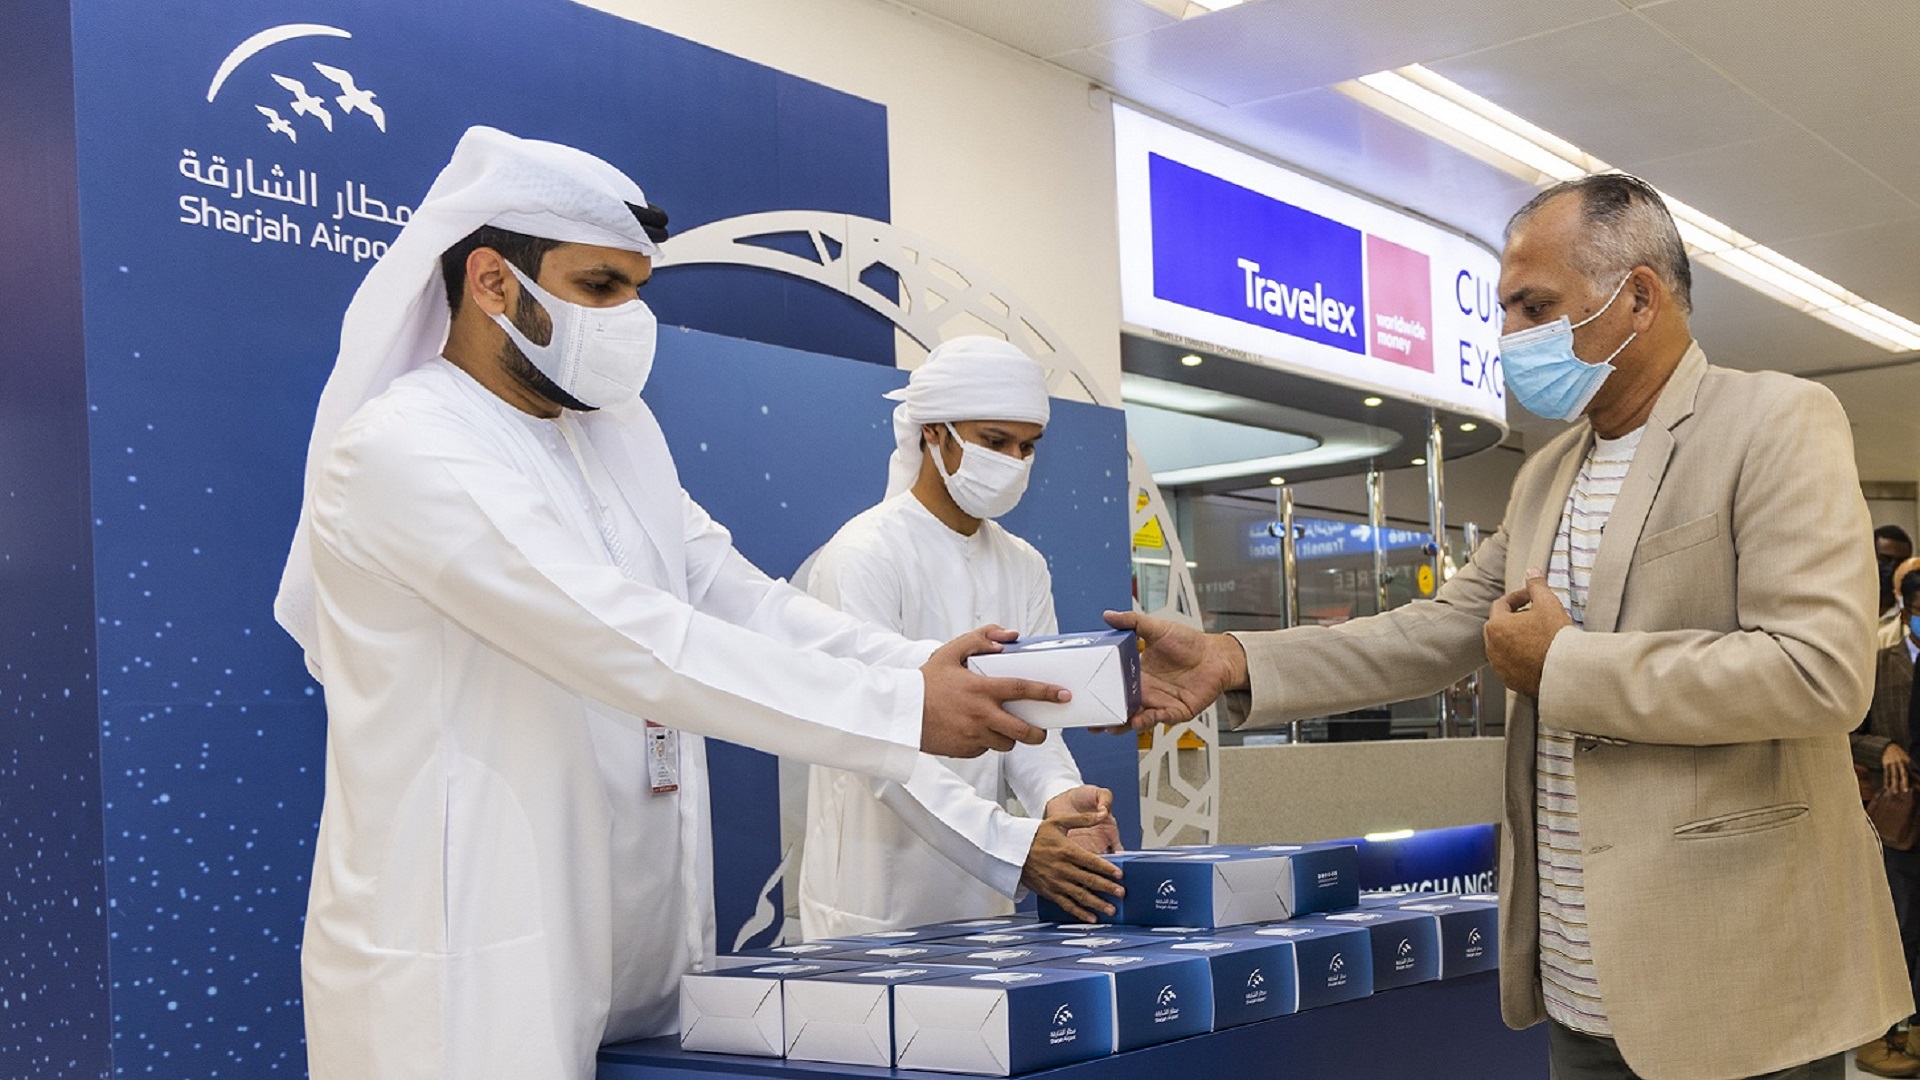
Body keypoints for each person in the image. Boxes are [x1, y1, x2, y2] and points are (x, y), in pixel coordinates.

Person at [272, 127, 1075, 1080]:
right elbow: (623, 638)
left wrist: (915, 667)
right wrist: (903, 713)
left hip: (639, 938)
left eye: (637, 292)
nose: (628, 319)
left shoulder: (618, 435)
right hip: (475, 951)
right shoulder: (407, 447)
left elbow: (739, 598)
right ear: (491, 282)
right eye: (600, 289)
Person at [1107, 173, 1909, 1079]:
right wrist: (1232, 656)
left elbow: (1818, 672)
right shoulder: (1550, 472)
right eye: (1506, 311)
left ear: (1637, 297)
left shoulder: (1777, 420)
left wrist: (1566, 664)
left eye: (1536, 306)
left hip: (1732, 978)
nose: (1511, 338)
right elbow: (1440, 628)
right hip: (1576, 982)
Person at [795, 337, 1124, 937]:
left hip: (987, 893)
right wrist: (1008, 845)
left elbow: (1031, 717)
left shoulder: (1023, 564)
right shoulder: (864, 555)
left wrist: (1059, 799)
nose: (1014, 461)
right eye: (994, 441)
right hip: (873, 903)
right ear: (934, 433)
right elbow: (876, 742)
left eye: (1027, 447)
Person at [1856, 563, 1920, 1077]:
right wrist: (1887, 747)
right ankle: (1886, 1031)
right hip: (1898, 814)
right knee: (1898, 923)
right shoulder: (1880, 659)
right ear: (1907, 607)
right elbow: (1845, 733)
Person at [1879, 526, 1915, 647]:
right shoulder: (1846, 605)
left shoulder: (1911, 617)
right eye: (1884, 560)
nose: (1892, 568)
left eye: (1900, 562)